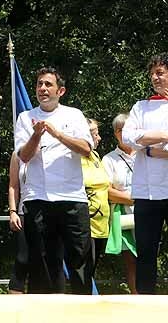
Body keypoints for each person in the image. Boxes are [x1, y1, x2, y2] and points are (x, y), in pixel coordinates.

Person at [15, 66, 93, 294]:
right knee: (42, 265)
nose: (42, 88)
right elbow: (24, 156)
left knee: (79, 260)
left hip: (72, 198)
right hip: (37, 198)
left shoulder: (74, 114)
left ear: (61, 91)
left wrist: (57, 133)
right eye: (39, 84)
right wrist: (36, 134)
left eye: (48, 84)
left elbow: (86, 149)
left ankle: (83, 310)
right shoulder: (25, 118)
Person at [121, 52, 168, 294]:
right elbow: (129, 137)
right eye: (153, 73)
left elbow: (141, 141)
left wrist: (151, 148)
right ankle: (146, 303)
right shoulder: (141, 106)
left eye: (160, 72)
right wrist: (163, 136)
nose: (155, 78)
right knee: (146, 250)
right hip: (146, 192)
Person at [101, 112, 137, 293]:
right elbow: (106, 191)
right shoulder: (108, 159)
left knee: (148, 255)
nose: (124, 133)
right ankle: (137, 297)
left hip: (148, 212)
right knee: (131, 260)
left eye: (128, 129)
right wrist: (136, 198)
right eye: (120, 130)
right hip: (123, 215)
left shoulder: (147, 154)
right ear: (115, 133)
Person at [81, 118, 110, 289]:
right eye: (94, 134)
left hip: (101, 225)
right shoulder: (76, 158)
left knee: (92, 269)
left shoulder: (95, 155)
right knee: (84, 269)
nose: (98, 138)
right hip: (86, 223)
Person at [6, 152, 30, 294]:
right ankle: (14, 303)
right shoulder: (17, 154)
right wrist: (13, 212)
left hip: (47, 212)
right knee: (22, 259)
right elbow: (13, 186)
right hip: (23, 212)